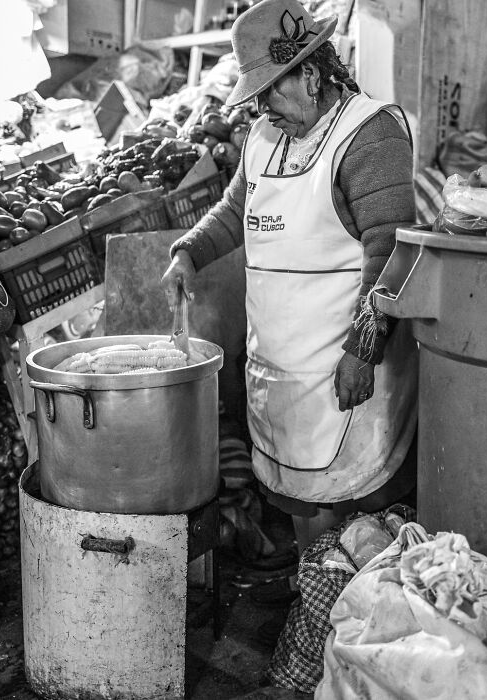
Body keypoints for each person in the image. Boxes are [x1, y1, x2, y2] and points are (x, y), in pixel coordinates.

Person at [161, 0, 418, 556]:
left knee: (352, 507)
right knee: (303, 504)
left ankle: (342, 612)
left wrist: (364, 348)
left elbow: (391, 252)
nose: (262, 107)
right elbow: (235, 213)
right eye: (255, 95)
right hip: (278, 370)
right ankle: (315, 593)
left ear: (310, 73)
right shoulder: (262, 137)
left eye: (270, 90)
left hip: (340, 366)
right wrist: (188, 253)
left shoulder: (370, 135)